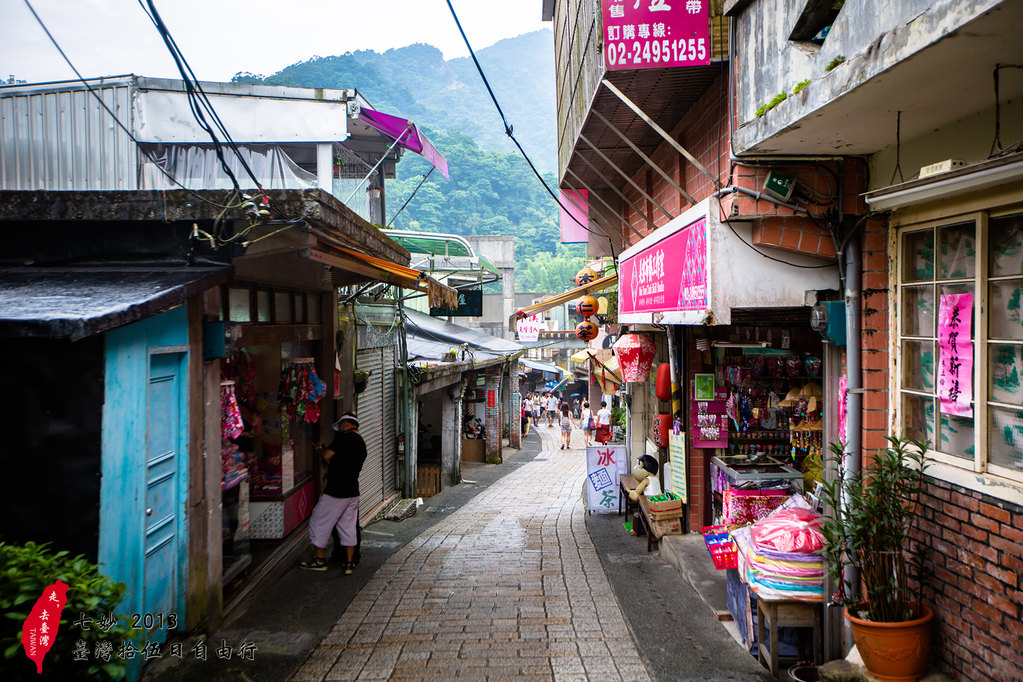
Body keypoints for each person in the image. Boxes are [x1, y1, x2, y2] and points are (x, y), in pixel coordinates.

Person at [300, 412, 366, 573]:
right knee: (348, 526)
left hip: (336, 491)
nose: (340, 429)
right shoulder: (361, 442)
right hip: (352, 491)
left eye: (341, 425)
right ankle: (349, 563)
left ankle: (320, 560)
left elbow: (327, 455)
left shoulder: (344, 438)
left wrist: (318, 448)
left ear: (346, 423)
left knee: (318, 521)